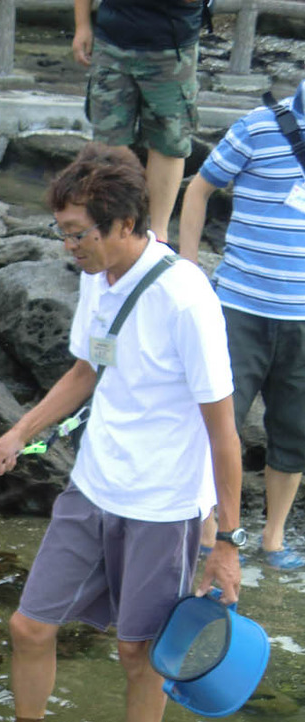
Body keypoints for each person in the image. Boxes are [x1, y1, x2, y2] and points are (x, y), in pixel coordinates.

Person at [0, 144, 243, 722]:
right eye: (62, 233)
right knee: (29, 626)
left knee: (138, 651)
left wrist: (227, 542)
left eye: (78, 234)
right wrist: (18, 432)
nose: (69, 247)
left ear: (124, 223)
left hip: (161, 507)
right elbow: (85, 371)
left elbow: (224, 433)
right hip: (92, 487)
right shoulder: (97, 278)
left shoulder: (186, 299)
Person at [177, 78, 305, 570]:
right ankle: (210, 529)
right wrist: (188, 268)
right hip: (238, 309)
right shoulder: (257, 126)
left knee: (294, 429)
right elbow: (199, 189)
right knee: (218, 422)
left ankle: (274, 538)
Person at [73, 0, 203, 244]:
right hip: (110, 41)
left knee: (168, 141)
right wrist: (82, 25)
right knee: (108, 141)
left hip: (172, 47)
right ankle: (113, 228)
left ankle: (157, 236)